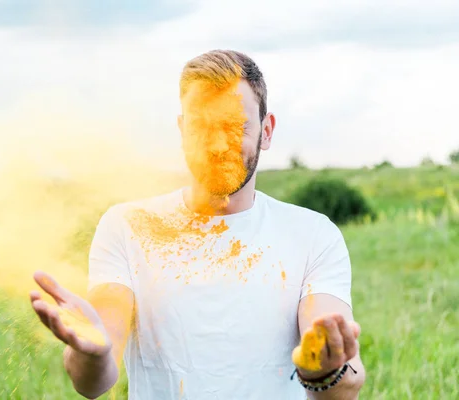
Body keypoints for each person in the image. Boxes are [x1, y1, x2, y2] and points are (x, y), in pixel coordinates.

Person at [30, 49, 366, 399]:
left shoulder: (312, 235)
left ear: (266, 131)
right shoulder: (128, 227)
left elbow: (346, 382)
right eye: (202, 125)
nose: (218, 144)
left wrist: (326, 368)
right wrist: (93, 353)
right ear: (182, 130)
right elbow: (93, 379)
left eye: (235, 125)